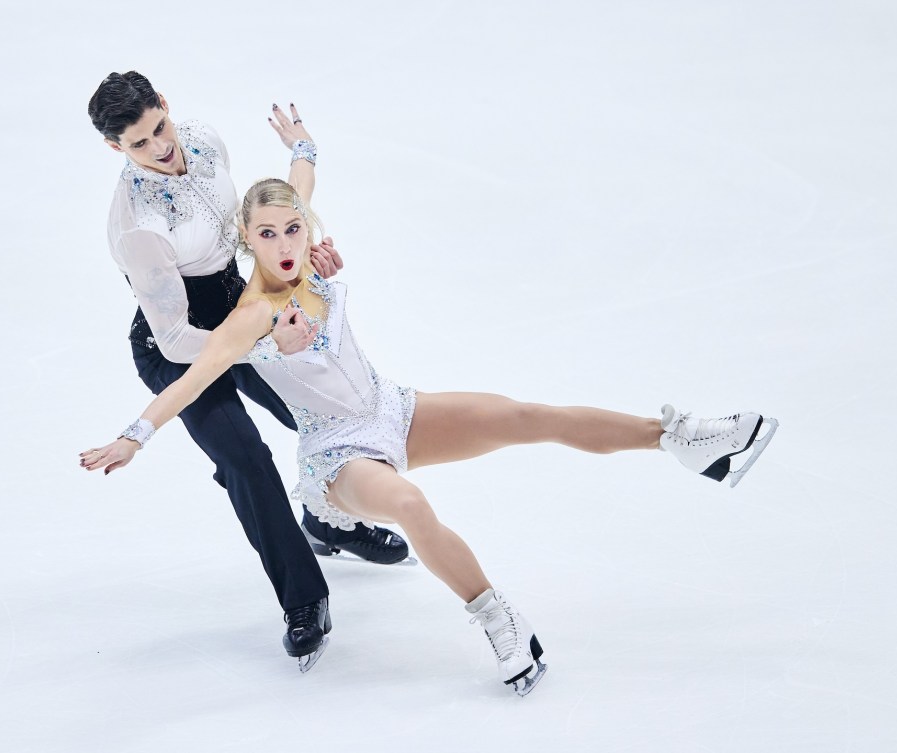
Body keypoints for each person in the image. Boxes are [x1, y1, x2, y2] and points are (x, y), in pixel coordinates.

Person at [80, 178, 778, 694]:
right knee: (410, 504)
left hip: (393, 409)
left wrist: (302, 146)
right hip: (338, 456)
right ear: (245, 239)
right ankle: (497, 617)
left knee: (526, 416)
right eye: (266, 235)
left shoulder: (310, 258)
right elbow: (194, 377)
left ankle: (680, 438)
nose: (284, 244)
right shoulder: (250, 315)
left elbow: (300, 181)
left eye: (293, 229)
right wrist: (136, 435)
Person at [86, 71, 409, 670]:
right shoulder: (137, 226)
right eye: (139, 144)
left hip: (243, 308)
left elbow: (252, 227)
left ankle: (330, 520)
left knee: (317, 412)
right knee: (245, 458)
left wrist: (293, 255)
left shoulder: (203, 139)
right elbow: (177, 339)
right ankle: (303, 600)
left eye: (159, 127)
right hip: (176, 345)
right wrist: (263, 345)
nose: (160, 148)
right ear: (115, 148)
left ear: (165, 104)